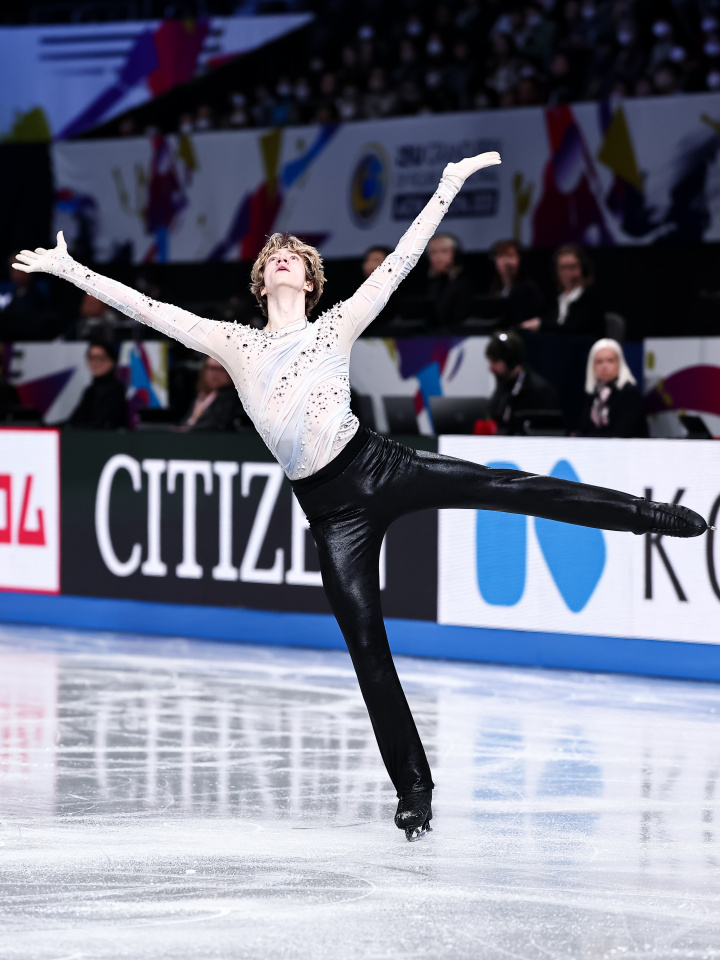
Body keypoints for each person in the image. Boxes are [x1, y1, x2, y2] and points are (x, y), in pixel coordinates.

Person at [14, 152, 711, 843]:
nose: (283, 256)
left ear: (310, 279)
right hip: (331, 515)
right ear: (262, 280)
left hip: (382, 465)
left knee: (506, 486)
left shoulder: (335, 325)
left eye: (294, 254)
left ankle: (646, 516)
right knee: (368, 651)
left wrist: (446, 187)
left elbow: (403, 260)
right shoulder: (233, 344)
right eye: (274, 254)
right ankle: (414, 792)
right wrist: (70, 270)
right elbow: (149, 309)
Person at [486, 331, 560, 434]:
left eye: (495, 361)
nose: (490, 368)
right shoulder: (504, 386)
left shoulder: (539, 391)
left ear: (511, 360)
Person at [522, 245, 603, 336]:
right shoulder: (555, 300)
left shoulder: (591, 297)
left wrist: (541, 325)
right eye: (563, 268)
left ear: (583, 269)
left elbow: (576, 329)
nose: (567, 273)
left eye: (572, 267)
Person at [580, 338, 648, 438]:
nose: (604, 366)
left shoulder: (631, 393)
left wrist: (586, 438)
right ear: (592, 365)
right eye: (599, 361)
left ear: (620, 363)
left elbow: (621, 433)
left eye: (610, 360)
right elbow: (583, 428)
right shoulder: (591, 393)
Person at [68, 339, 128, 430]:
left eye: (100, 358)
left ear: (112, 361)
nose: (95, 363)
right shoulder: (90, 391)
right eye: (91, 358)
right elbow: (73, 421)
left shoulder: (116, 389)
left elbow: (102, 423)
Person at [182, 356, 248, 433]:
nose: (215, 373)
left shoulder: (233, 399)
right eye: (211, 368)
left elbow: (216, 425)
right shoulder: (197, 395)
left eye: (221, 369)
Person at [423, 233, 474, 328]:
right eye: (433, 252)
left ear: (455, 255)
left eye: (444, 251)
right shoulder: (426, 285)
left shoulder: (463, 285)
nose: (438, 257)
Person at [488, 239, 543, 327]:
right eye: (502, 256)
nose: (506, 262)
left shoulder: (528, 290)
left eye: (510, 256)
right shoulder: (494, 289)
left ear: (520, 259)